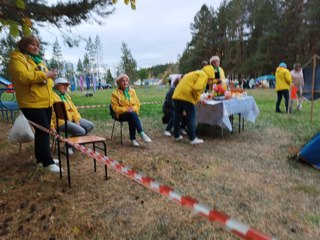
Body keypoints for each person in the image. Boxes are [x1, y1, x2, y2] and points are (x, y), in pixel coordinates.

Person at [8, 35, 61, 173]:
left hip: (45, 101)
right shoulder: (17, 59)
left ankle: (41, 159)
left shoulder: (39, 61)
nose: (36, 47)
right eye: (32, 44)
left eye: (37, 45)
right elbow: (24, 77)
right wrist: (45, 76)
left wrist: (48, 78)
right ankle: (47, 163)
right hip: (31, 103)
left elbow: (47, 80)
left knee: (42, 131)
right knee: (44, 130)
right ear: (24, 45)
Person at [172, 65, 214, 144]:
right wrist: (198, 98)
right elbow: (196, 88)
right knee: (191, 116)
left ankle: (176, 135)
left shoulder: (195, 73)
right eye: (211, 79)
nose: (210, 80)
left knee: (178, 115)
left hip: (177, 94)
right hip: (187, 96)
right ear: (210, 74)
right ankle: (192, 138)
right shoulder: (204, 75)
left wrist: (198, 99)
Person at [51, 77, 94, 154]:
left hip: (71, 119)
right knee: (81, 131)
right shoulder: (52, 96)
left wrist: (77, 119)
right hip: (60, 122)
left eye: (66, 85)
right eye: (63, 85)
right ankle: (68, 146)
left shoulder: (66, 96)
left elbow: (74, 109)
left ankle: (77, 142)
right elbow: (49, 113)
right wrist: (51, 126)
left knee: (90, 125)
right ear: (57, 86)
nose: (66, 87)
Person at [111, 74, 152, 147]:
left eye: (126, 81)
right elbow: (115, 108)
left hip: (131, 113)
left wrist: (132, 109)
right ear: (119, 83)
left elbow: (137, 103)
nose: (125, 82)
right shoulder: (115, 94)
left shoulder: (132, 91)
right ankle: (141, 134)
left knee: (132, 115)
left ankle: (133, 139)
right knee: (132, 115)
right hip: (120, 115)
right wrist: (126, 109)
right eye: (123, 81)